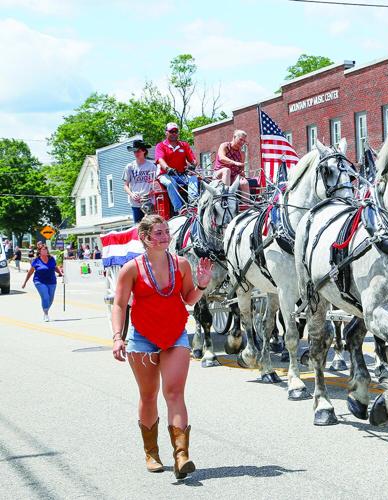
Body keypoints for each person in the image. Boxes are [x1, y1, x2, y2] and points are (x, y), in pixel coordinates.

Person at [111, 214, 212, 479]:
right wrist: (117, 337)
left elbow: (189, 299)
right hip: (142, 337)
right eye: (157, 233)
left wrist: (201, 284)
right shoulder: (131, 268)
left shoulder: (181, 264)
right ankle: (151, 453)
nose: (164, 236)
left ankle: (181, 456)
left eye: (166, 231)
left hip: (175, 334)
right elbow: (120, 304)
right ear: (144, 238)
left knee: (175, 393)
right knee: (148, 395)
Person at [155, 123, 198, 215]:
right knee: (171, 183)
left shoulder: (184, 145)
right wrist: (167, 168)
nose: (174, 133)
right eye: (171, 131)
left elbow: (193, 159)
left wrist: (193, 165)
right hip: (165, 174)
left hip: (181, 174)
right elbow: (160, 159)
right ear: (166, 133)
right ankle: (180, 209)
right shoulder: (161, 146)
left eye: (176, 131)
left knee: (194, 178)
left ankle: (193, 203)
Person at [22, 245, 63, 322]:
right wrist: (25, 282)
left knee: (51, 299)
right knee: (45, 296)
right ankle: (46, 313)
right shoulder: (36, 260)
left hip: (52, 281)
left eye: (46, 249)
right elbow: (30, 272)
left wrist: (61, 273)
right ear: (39, 251)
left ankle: (45, 309)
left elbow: (55, 267)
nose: (45, 251)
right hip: (39, 281)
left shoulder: (51, 259)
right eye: (43, 249)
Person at [123, 139, 158, 223]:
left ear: (144, 151)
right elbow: (125, 185)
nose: (136, 153)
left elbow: (156, 184)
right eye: (134, 151)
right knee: (138, 227)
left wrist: (152, 192)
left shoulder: (152, 166)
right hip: (136, 203)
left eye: (138, 151)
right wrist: (132, 195)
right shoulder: (129, 167)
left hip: (149, 202)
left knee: (150, 226)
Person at [214, 130, 251, 201]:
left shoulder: (242, 153)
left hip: (233, 176)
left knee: (244, 182)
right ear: (234, 137)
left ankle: (247, 206)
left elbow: (241, 168)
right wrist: (234, 162)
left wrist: (242, 172)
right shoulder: (225, 146)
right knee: (227, 170)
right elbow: (221, 157)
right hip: (219, 174)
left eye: (244, 141)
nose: (242, 142)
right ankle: (225, 197)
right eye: (240, 139)